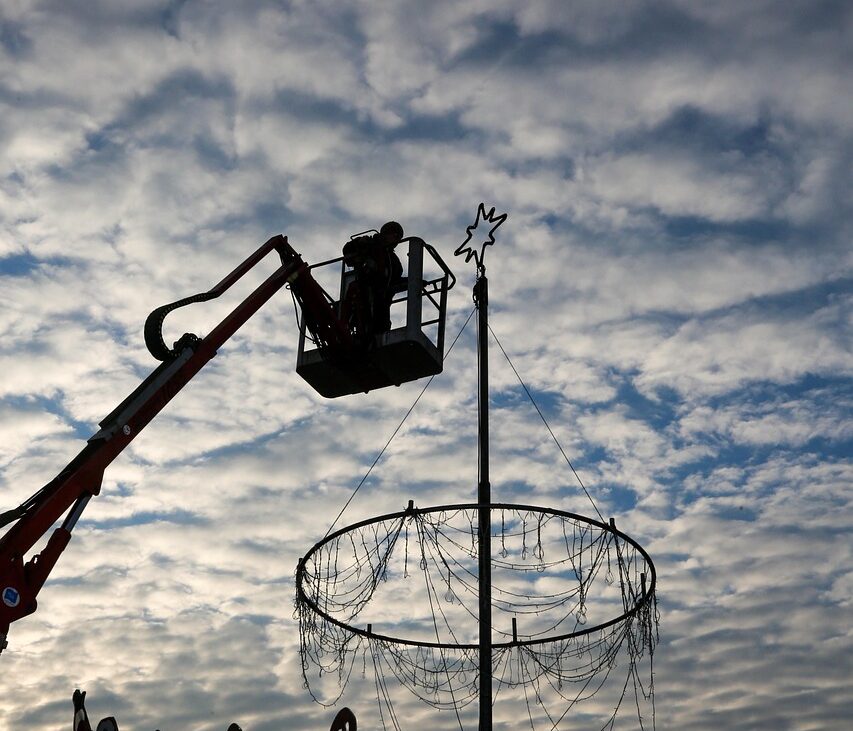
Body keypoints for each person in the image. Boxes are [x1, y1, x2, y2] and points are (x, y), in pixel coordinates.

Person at [341, 221, 404, 346]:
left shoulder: (393, 260)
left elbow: (396, 278)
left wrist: (414, 281)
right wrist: (359, 243)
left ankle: (374, 342)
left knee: (382, 324)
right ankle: (355, 333)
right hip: (367, 289)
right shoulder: (370, 244)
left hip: (383, 297)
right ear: (386, 233)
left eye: (398, 238)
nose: (396, 240)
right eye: (395, 235)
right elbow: (347, 250)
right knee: (365, 316)